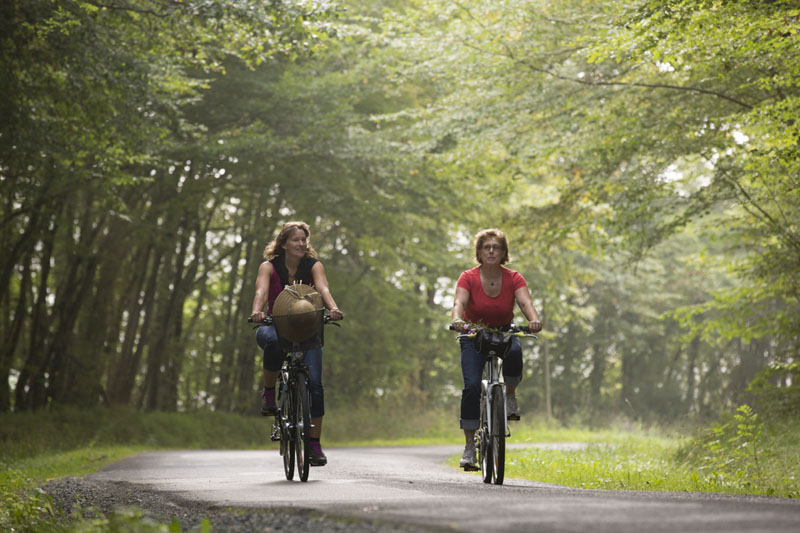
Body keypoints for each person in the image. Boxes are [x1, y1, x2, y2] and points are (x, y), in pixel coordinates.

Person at [250, 221, 344, 466]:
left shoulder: (314, 265)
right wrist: (257, 312)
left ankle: (314, 444)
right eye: (296, 240)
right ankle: (269, 393)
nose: (301, 244)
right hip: (275, 323)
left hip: (308, 326)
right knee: (271, 340)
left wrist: (333, 308)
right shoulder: (268, 267)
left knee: (315, 385)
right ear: (283, 243)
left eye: (304, 239)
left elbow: (323, 288)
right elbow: (260, 292)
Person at [451, 228, 542, 470]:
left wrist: (534, 319)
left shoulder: (514, 278)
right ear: (479, 252)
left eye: (496, 247)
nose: (491, 251)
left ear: (504, 253)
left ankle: (510, 395)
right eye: (486, 247)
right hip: (473, 335)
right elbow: (459, 302)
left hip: (504, 331)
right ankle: (470, 447)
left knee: (515, 351)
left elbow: (525, 302)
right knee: (471, 386)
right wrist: (458, 320)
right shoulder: (468, 277)